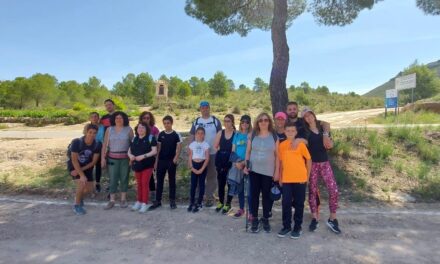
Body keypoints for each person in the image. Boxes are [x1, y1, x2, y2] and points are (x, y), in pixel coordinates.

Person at [302, 107, 341, 234]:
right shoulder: (305, 131)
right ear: (304, 119)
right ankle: (314, 217)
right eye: (305, 116)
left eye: (310, 115)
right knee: (312, 191)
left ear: (314, 115)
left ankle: (332, 218)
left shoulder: (323, 127)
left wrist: (327, 138)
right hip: (312, 164)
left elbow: (330, 144)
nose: (308, 117)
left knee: (333, 189)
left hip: (324, 163)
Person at [274, 123, 311, 239]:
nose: (290, 133)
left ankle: (297, 227)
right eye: (288, 131)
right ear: (284, 132)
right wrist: (280, 176)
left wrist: (308, 176)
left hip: (300, 179)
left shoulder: (300, 145)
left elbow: (309, 160)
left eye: (292, 131)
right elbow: (280, 163)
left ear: (296, 133)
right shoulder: (282, 145)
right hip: (286, 180)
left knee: (299, 204)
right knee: (286, 203)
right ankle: (286, 226)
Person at [244, 113, 279, 233]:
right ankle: (254, 218)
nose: (263, 122)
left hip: (268, 172)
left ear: (269, 122)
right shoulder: (252, 135)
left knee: (266, 196)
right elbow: (248, 152)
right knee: (253, 195)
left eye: (265, 120)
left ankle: (265, 218)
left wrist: (277, 171)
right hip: (254, 170)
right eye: (260, 120)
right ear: (257, 123)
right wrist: (246, 165)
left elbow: (277, 156)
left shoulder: (274, 136)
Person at [188, 101, 222, 207]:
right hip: (198, 154)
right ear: (200, 109)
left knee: (211, 176)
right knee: (198, 175)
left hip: (212, 153)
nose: (205, 109)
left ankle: (209, 197)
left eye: (207, 107)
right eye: (203, 107)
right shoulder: (197, 121)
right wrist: (190, 150)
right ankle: (199, 197)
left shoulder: (215, 121)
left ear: (209, 108)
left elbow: (220, 135)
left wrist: (219, 150)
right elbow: (192, 135)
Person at [149, 115, 182, 210]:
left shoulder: (176, 134)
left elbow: (179, 147)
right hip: (161, 161)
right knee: (159, 182)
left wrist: (176, 158)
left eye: (168, 123)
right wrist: (156, 161)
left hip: (171, 161)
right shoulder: (160, 134)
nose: (166, 125)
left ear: (171, 123)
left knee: (172, 181)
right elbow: (158, 148)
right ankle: (158, 201)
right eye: (165, 123)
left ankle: (172, 201)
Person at [102, 111, 134, 209]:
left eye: (120, 118)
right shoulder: (109, 129)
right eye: (117, 118)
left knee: (124, 178)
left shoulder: (129, 129)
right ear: (114, 119)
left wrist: (132, 158)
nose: (118, 119)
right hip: (112, 158)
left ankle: (123, 199)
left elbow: (133, 145)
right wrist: (103, 158)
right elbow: (105, 145)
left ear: (124, 119)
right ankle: (112, 200)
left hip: (125, 158)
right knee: (113, 179)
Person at [68, 124, 102, 215]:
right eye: (90, 132)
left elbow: (93, 162)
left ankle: (79, 197)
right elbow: (74, 160)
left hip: (87, 166)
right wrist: (81, 174)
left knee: (89, 189)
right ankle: (77, 205)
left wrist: (82, 171)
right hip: (75, 166)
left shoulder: (98, 144)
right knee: (82, 184)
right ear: (85, 132)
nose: (92, 135)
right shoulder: (77, 142)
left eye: (94, 133)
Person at [128, 123, 157, 213]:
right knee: (139, 184)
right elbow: (129, 151)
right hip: (137, 165)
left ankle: (145, 203)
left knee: (145, 184)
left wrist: (143, 156)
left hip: (147, 165)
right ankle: (139, 201)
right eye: (139, 127)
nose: (140, 129)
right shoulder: (134, 139)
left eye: (142, 127)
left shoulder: (151, 138)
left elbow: (154, 151)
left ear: (146, 129)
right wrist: (130, 156)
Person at [228, 114, 252, 218]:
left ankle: (251, 212)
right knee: (240, 188)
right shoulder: (237, 135)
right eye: (243, 122)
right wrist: (236, 163)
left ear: (249, 123)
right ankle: (241, 208)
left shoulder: (251, 135)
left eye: (247, 122)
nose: (244, 124)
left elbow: (252, 150)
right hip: (237, 164)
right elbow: (233, 150)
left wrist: (244, 163)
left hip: (248, 164)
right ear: (240, 123)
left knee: (250, 189)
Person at [213, 114, 235, 214]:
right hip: (220, 161)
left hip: (230, 161)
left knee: (230, 183)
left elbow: (235, 149)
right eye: (225, 121)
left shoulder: (236, 134)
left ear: (232, 122)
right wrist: (222, 153)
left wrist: (229, 156)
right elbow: (215, 145)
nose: (226, 123)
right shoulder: (220, 133)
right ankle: (221, 202)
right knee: (221, 183)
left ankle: (228, 203)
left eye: (228, 121)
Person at [187, 127, 210, 213]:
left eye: (202, 133)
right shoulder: (192, 145)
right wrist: (192, 167)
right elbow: (190, 157)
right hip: (194, 165)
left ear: (204, 135)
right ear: (195, 134)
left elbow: (207, 158)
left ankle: (199, 203)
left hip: (202, 165)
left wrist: (202, 169)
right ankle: (192, 202)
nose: (200, 135)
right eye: (198, 133)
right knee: (193, 185)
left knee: (201, 185)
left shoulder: (206, 145)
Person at [139, 111, 160, 201]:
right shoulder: (139, 128)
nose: (146, 120)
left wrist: (156, 157)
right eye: (144, 118)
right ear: (141, 119)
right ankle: (143, 194)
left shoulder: (154, 129)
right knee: (142, 175)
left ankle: (153, 192)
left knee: (151, 175)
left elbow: (158, 144)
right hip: (141, 156)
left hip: (151, 156)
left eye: (148, 118)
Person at [85, 112, 105, 193]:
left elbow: (104, 138)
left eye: (96, 116)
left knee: (98, 166)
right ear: (90, 118)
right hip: (90, 148)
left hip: (100, 148)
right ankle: (89, 183)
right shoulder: (87, 127)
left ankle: (97, 183)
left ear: (98, 118)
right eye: (92, 117)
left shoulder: (102, 127)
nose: (94, 118)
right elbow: (85, 137)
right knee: (89, 166)